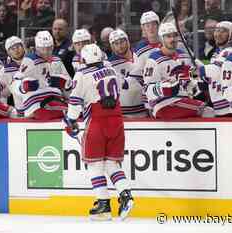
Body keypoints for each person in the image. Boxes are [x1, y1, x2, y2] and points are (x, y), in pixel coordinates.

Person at [64, 44, 133, 220]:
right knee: (111, 164)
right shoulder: (110, 69)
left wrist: (70, 121)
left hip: (97, 122)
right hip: (117, 120)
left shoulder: (81, 74)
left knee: (94, 165)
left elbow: (74, 103)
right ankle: (125, 195)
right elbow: (123, 85)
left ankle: (103, 205)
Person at [144, 23, 213, 120]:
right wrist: (163, 88)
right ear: (161, 39)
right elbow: (147, 89)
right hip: (164, 104)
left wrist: (201, 80)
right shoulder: (154, 59)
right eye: (168, 36)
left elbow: (194, 77)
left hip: (183, 101)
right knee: (207, 111)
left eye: (175, 35)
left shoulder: (184, 55)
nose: (172, 39)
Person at [13, 30, 71, 120]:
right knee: (72, 111)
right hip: (37, 104)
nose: (46, 52)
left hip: (52, 100)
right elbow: (15, 83)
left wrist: (66, 84)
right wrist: (23, 87)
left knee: (75, 109)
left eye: (49, 48)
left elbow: (65, 84)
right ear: (37, 48)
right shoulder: (30, 60)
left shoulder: (55, 60)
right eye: (43, 49)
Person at [198, 21, 232, 116]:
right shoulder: (217, 52)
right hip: (221, 105)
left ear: (231, 34)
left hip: (229, 106)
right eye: (217, 30)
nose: (218, 34)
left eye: (223, 31)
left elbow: (213, 70)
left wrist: (193, 71)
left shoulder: (230, 51)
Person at [108, 29, 147, 117]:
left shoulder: (140, 55)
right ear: (112, 46)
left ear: (127, 41)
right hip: (124, 113)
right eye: (116, 43)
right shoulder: (110, 65)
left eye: (122, 41)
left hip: (144, 109)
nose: (120, 46)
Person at [0, 36, 26, 117]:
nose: (16, 50)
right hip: (21, 111)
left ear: (23, 47)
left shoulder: (33, 61)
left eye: (18, 47)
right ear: (8, 52)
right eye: (12, 48)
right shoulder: (6, 70)